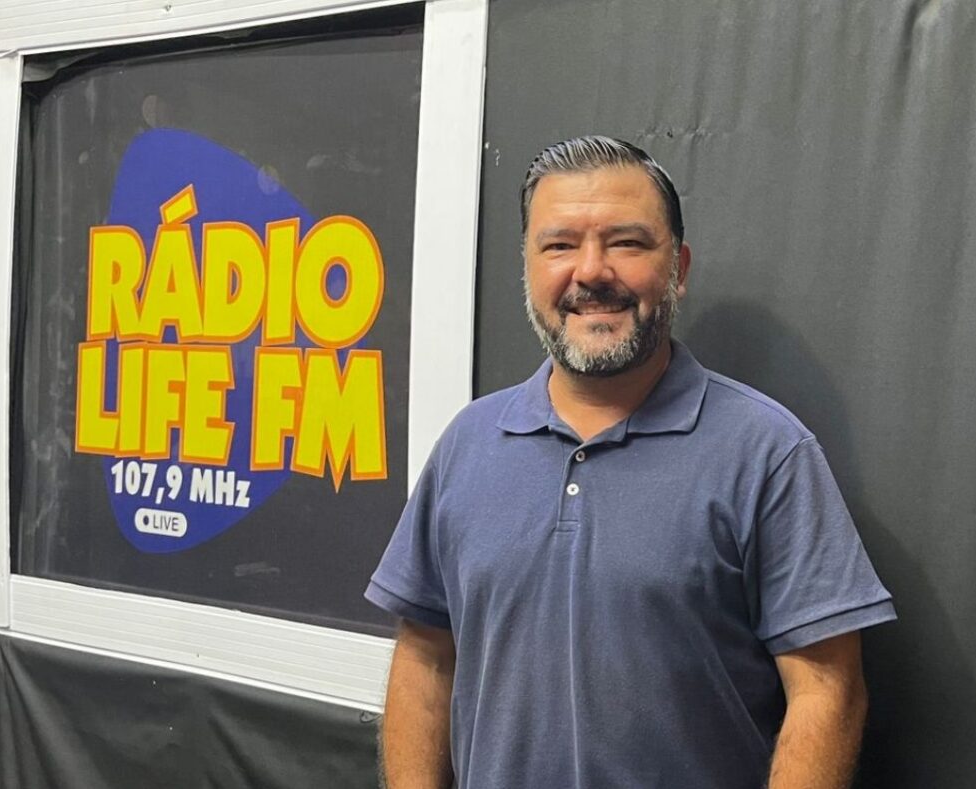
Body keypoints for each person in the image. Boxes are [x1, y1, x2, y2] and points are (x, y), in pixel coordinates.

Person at [365, 136, 896, 788]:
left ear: (679, 268)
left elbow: (826, 688)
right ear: (528, 267)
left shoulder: (767, 452)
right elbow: (425, 657)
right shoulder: (468, 444)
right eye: (560, 245)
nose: (591, 271)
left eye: (626, 243)